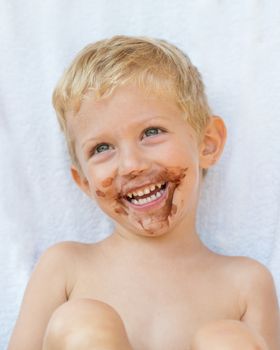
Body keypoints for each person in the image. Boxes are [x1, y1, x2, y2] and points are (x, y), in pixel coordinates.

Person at [8, 35, 280, 350]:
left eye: (151, 132)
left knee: (227, 340)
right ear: (83, 182)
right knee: (83, 321)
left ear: (207, 143)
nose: (131, 165)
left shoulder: (245, 283)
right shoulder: (65, 268)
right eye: (102, 148)